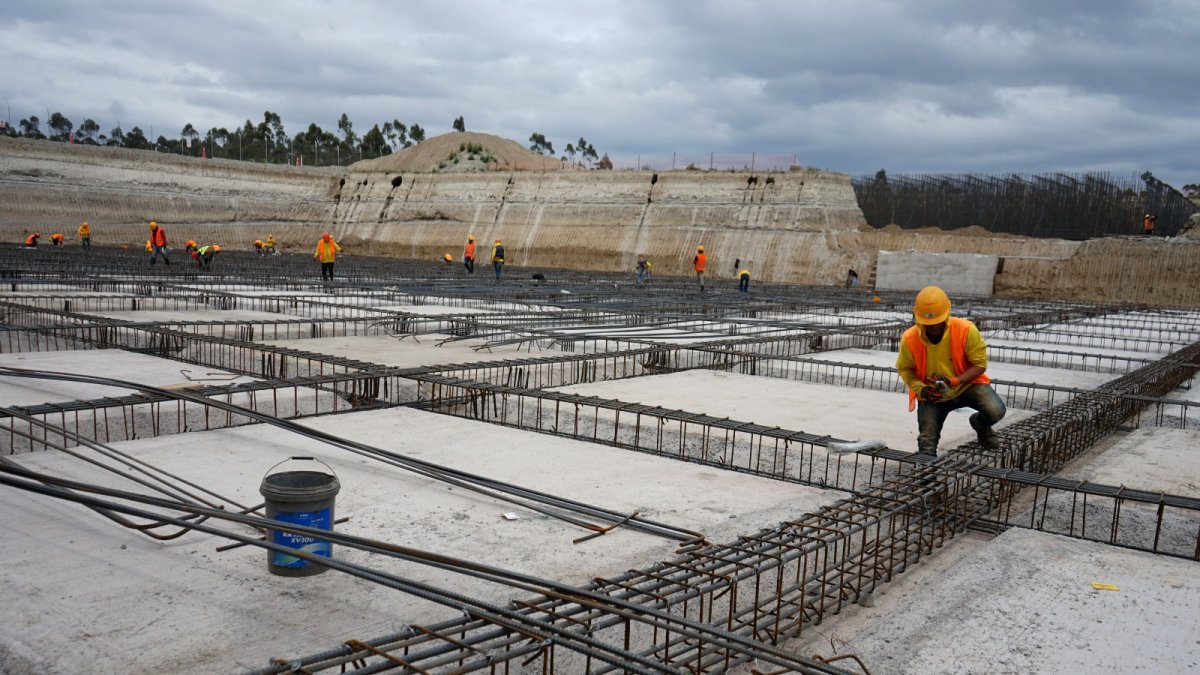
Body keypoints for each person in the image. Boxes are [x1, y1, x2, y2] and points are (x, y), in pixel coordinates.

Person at [895, 286, 1006, 459]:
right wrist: (922, 390)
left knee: (995, 411)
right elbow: (905, 369)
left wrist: (954, 381)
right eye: (928, 324)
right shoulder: (910, 338)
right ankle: (926, 477)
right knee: (927, 444)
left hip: (966, 386)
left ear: (947, 314)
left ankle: (980, 425)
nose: (933, 328)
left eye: (937, 323)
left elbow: (980, 365)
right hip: (933, 394)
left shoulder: (966, 330)